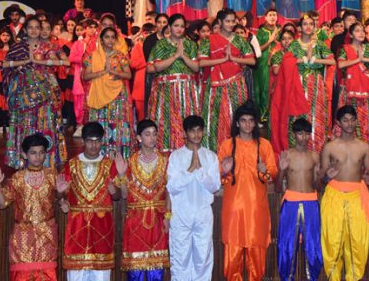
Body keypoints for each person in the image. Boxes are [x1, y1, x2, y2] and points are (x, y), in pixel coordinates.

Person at [0, 133, 68, 280]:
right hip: (22, 236)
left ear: (46, 154)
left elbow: (59, 199)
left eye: (41, 153)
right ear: (24, 155)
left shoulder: (52, 175)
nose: (37, 157)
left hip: (47, 234)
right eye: (33, 153)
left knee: (47, 275)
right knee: (22, 275)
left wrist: (61, 195)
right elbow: (3, 203)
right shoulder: (17, 178)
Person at [218, 101, 278, 281]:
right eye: (243, 120)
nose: (247, 124)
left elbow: (273, 174)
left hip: (256, 211)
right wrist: (223, 171)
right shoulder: (227, 146)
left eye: (251, 121)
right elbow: (216, 178)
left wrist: (264, 170)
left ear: (255, 123)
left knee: (256, 257)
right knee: (232, 257)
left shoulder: (265, 145)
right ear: (237, 123)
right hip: (233, 212)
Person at [59, 122, 119, 281]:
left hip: (102, 225)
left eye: (98, 141)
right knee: (77, 273)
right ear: (83, 141)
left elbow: (118, 196)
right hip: (78, 226)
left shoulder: (109, 164)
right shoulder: (71, 165)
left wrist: (115, 192)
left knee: (101, 274)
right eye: (90, 141)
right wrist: (61, 198)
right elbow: (62, 193)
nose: (94, 145)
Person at [3, 16, 65, 169]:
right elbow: (5, 64)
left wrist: (41, 62)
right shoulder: (18, 47)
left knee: (45, 122)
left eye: (37, 27)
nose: (34, 30)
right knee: (25, 123)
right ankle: (22, 160)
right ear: (25, 30)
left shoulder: (46, 47)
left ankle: (47, 160)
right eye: (30, 27)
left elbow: (62, 62)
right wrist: (24, 62)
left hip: (45, 91)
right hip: (23, 92)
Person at [112, 120, 170, 279]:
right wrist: (122, 175)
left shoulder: (165, 161)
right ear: (138, 138)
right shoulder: (130, 162)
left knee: (156, 271)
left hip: (158, 221)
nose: (152, 138)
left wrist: (168, 216)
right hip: (136, 221)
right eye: (147, 134)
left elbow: (169, 191)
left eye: (154, 133)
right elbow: (124, 195)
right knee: (135, 272)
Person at [319, 105, 369, 281]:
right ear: (339, 123)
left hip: (357, 197)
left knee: (357, 242)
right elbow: (322, 178)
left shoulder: (364, 147)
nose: (349, 123)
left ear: (356, 121)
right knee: (332, 241)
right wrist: (327, 176)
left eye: (352, 119)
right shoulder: (329, 147)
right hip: (334, 195)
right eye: (345, 120)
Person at [167, 115, 221, 281]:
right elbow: (172, 187)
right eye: (192, 131)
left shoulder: (210, 156)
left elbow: (215, 187)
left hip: (203, 213)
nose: (196, 135)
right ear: (185, 133)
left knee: (202, 258)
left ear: (203, 132)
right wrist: (190, 170)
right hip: (181, 213)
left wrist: (201, 171)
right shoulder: (175, 157)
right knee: (180, 257)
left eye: (199, 131)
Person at [271, 15, 335, 153]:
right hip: (297, 83)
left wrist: (314, 60)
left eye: (311, 24)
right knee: (297, 115)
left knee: (316, 115)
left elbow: (332, 62)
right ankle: (296, 149)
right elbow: (285, 62)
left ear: (314, 27)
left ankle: (316, 149)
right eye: (305, 24)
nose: (308, 27)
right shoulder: (294, 45)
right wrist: (300, 60)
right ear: (300, 28)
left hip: (315, 84)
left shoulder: (320, 44)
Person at [198, 9, 255, 151]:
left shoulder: (239, 40)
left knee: (237, 118)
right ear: (219, 22)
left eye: (233, 21)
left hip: (237, 85)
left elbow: (252, 61)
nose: (231, 24)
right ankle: (215, 151)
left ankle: (240, 150)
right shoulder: (209, 41)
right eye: (227, 21)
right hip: (216, 87)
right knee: (215, 120)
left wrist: (233, 58)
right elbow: (201, 63)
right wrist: (223, 59)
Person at [276, 118, 323, 281]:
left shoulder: (315, 156)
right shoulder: (287, 155)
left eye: (306, 134)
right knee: (287, 245)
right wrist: (281, 171)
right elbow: (277, 188)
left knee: (313, 244)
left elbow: (318, 186)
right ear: (294, 134)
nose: (304, 137)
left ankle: (313, 277)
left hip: (311, 202)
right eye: (300, 133)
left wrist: (318, 176)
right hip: (290, 203)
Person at [147, 14, 200, 150]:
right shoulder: (161, 44)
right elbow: (157, 66)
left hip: (186, 89)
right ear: (169, 27)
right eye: (176, 25)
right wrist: (176, 55)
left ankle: (188, 150)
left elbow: (196, 67)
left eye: (182, 26)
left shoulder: (190, 44)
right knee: (167, 121)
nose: (179, 29)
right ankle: (166, 152)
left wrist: (183, 56)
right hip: (166, 90)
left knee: (186, 119)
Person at [337, 22, 369, 160]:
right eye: (357, 31)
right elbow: (341, 64)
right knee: (349, 119)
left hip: (365, 90)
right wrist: (357, 60)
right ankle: (347, 153)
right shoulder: (345, 49)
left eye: (362, 31)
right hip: (349, 90)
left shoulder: (368, 48)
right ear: (351, 34)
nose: (361, 33)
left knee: (366, 121)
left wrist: (364, 59)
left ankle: (367, 154)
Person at [83, 26, 135, 158]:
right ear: (101, 39)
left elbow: (128, 75)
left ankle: (118, 155)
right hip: (99, 95)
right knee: (101, 123)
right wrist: (102, 72)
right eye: (107, 37)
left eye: (113, 37)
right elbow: (85, 76)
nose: (110, 40)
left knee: (116, 124)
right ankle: (100, 155)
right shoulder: (93, 56)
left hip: (117, 96)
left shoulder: (120, 56)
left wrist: (112, 72)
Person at [252, 9, 279, 120]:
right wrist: (270, 41)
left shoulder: (281, 31)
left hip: (278, 63)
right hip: (263, 64)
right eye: (270, 15)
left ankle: (276, 113)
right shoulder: (261, 31)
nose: (272, 17)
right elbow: (257, 50)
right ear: (265, 18)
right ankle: (263, 115)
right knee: (264, 87)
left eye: (274, 15)